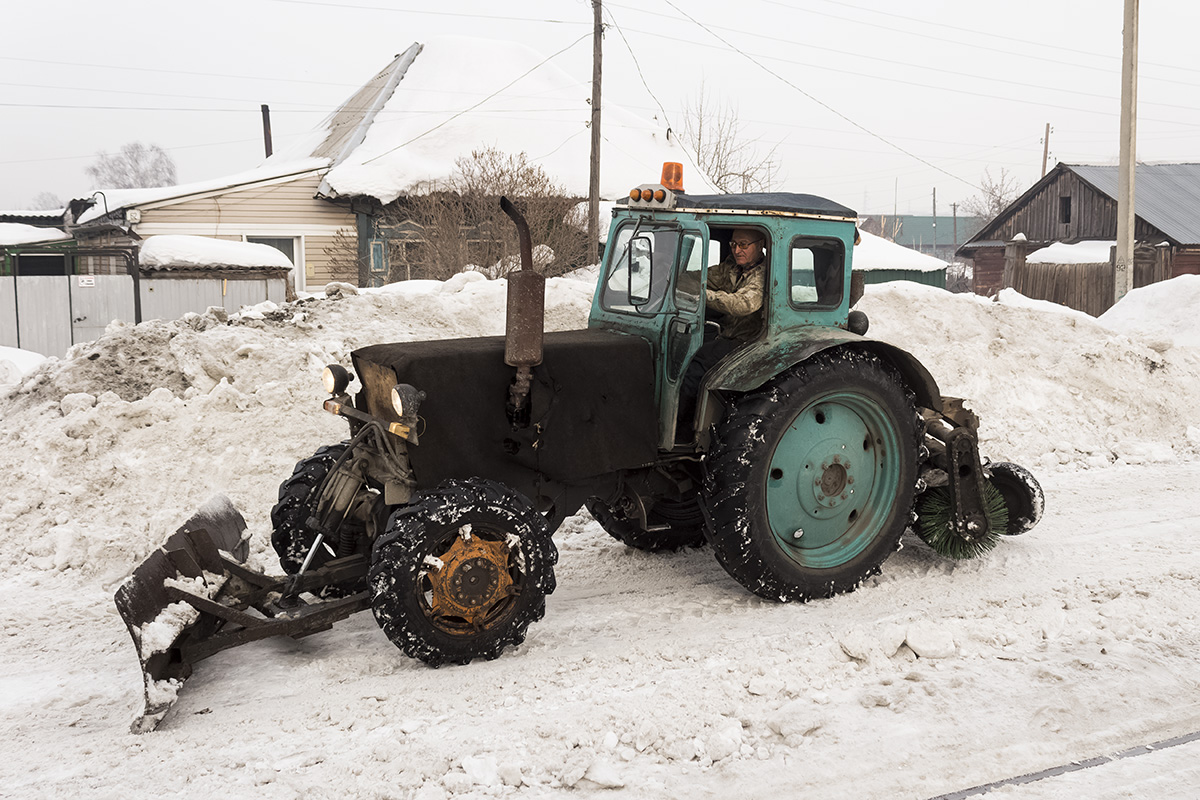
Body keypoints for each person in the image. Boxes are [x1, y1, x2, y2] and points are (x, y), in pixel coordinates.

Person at [676, 228, 767, 439]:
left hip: (750, 343)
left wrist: (701, 294)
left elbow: (743, 304)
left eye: (744, 244)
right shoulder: (731, 268)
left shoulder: (764, 275)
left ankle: (681, 433)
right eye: (734, 244)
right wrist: (676, 279)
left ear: (760, 244)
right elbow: (702, 278)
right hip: (727, 333)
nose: (737, 250)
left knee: (694, 363)